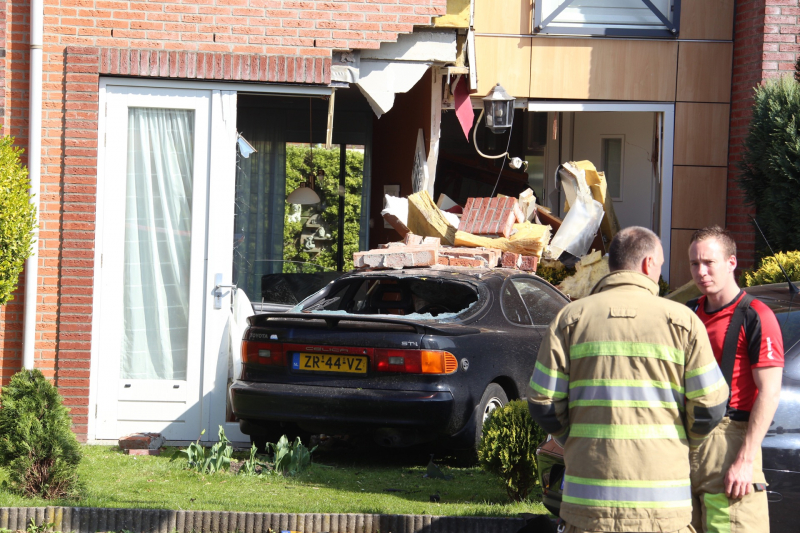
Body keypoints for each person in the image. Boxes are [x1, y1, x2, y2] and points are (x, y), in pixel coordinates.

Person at [528, 226, 729, 533]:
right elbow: (710, 407)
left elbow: (543, 402)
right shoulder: (683, 323)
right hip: (663, 508)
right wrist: (681, 442)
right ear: (649, 265)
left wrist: (577, 440)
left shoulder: (570, 319)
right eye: (660, 265)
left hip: (588, 506)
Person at [687, 226, 784, 533]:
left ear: (731, 262)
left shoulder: (756, 315)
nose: (701, 272)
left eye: (708, 263)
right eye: (694, 264)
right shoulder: (688, 315)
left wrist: (745, 460)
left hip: (731, 441)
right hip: (687, 439)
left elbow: (769, 393)